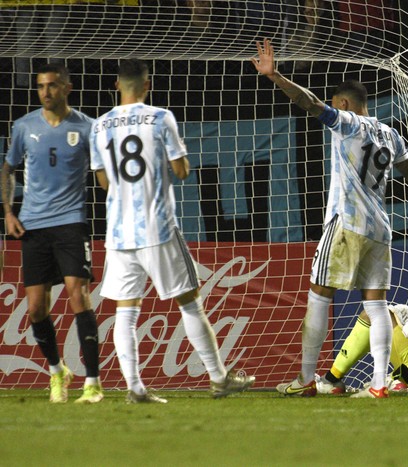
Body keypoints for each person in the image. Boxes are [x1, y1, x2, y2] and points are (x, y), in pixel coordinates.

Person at [251, 38, 408, 398]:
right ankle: (379, 384)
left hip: (346, 222)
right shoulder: (392, 135)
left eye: (337, 105)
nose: (333, 111)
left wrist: (276, 77)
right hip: (380, 229)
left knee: (319, 296)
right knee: (377, 304)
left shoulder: (349, 123)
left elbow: (310, 103)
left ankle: (306, 380)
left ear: (346, 104)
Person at [89, 59, 255, 403]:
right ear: (147, 85)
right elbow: (181, 170)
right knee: (190, 302)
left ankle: (135, 388)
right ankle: (218, 378)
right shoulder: (161, 117)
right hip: (158, 228)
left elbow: (103, 180)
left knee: (126, 310)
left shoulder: (99, 126)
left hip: (119, 233)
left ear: (117, 85)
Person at [1, 63, 103, 404]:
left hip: (71, 222)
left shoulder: (87, 127)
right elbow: (8, 169)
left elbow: (102, 173)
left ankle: (93, 382)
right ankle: (58, 371)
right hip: (32, 225)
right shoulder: (24, 126)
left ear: (67, 88)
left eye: (53, 85)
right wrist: (8, 212)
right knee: (35, 309)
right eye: (41, 86)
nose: (46, 92)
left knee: (79, 296)